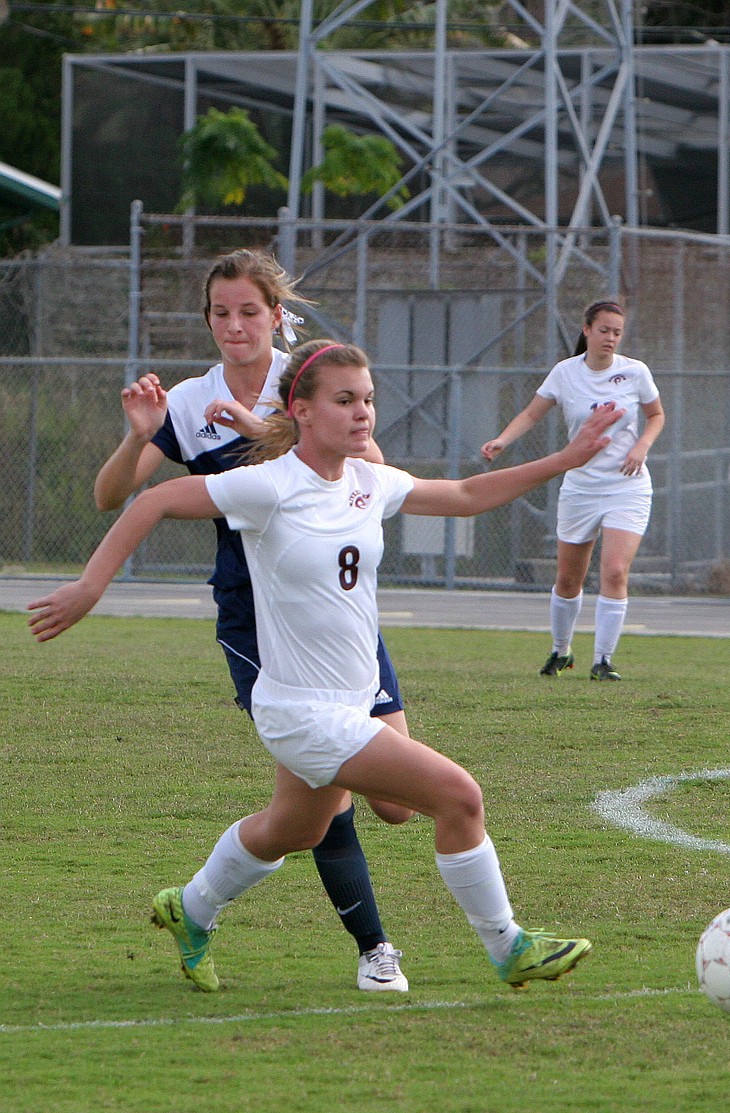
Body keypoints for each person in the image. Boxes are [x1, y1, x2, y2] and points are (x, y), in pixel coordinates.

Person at [29, 340, 621, 995]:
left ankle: (190, 910)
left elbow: (468, 493)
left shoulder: (369, 480)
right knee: (459, 795)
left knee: (296, 828)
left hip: (352, 697)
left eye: (367, 398)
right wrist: (88, 587)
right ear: (302, 411)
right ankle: (509, 947)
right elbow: (152, 502)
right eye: (345, 400)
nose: (362, 412)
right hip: (301, 710)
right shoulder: (270, 485)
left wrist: (567, 459)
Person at [93, 249, 412, 993]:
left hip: (340, 609)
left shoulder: (306, 382)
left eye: (249, 311)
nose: (234, 326)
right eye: (220, 313)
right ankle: (375, 950)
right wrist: (139, 434)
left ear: (277, 315)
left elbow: (373, 465)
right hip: (258, 620)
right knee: (328, 790)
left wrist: (259, 424)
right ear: (208, 320)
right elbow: (113, 496)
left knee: (394, 803)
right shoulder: (188, 399)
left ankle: (195, 903)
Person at [481, 298, 665, 681]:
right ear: (586, 330)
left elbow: (656, 415)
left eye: (617, 332)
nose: (610, 338)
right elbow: (533, 412)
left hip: (626, 485)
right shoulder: (565, 373)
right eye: (604, 330)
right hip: (581, 487)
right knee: (568, 579)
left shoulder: (635, 372)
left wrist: (642, 446)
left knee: (614, 571)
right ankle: (561, 652)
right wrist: (502, 440)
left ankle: (603, 661)